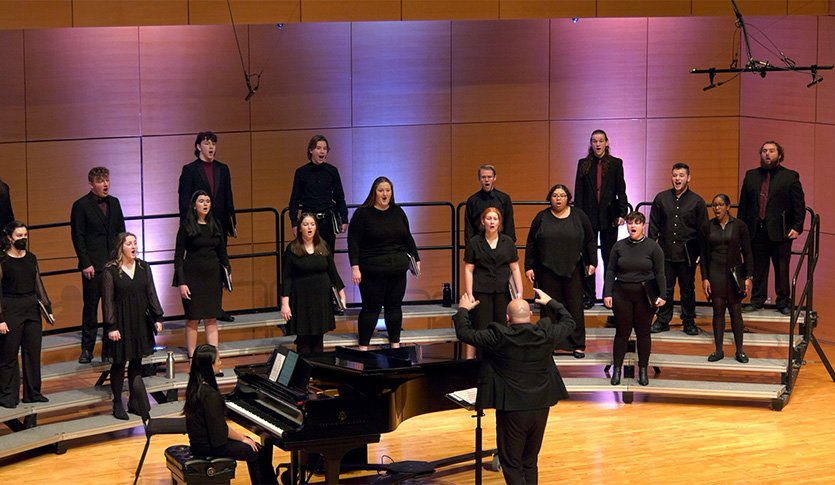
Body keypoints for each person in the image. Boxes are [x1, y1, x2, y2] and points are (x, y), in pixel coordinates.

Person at [454, 289, 575, 485]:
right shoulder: (546, 334)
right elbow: (569, 322)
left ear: (507, 318)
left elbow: (465, 333)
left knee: (511, 463)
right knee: (529, 461)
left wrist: (463, 310)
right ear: (531, 315)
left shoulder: (499, 338)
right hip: (540, 406)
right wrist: (551, 301)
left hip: (512, 410)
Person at [184, 344, 278, 485]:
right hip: (209, 447)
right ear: (210, 365)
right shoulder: (209, 394)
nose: (221, 363)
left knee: (251, 445)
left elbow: (218, 426)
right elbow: (220, 430)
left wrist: (243, 438)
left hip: (200, 443)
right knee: (257, 451)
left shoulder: (195, 386)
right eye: (218, 360)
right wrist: (243, 439)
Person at [524, 184, 596, 358]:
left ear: (568, 198)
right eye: (555, 195)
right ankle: (551, 344)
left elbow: (590, 240)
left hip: (574, 269)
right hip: (546, 270)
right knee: (548, 308)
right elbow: (531, 242)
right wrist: (529, 266)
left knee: (575, 307)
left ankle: (577, 345)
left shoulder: (579, 215)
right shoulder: (541, 217)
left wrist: (592, 262)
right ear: (550, 198)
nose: (558, 198)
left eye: (562, 195)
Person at [347, 176, 419, 350]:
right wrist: (355, 267)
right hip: (372, 270)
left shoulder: (398, 212)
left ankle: (395, 345)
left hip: (397, 269)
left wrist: (416, 259)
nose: (384, 194)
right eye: (381, 190)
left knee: (394, 307)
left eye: (388, 190)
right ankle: (363, 347)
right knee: (371, 308)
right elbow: (353, 242)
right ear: (374, 192)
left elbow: (407, 237)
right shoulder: (362, 214)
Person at [737, 141, 806, 316]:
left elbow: (799, 205)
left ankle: (783, 302)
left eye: (772, 151)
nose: (767, 154)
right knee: (758, 268)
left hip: (781, 231)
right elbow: (743, 205)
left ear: (779, 155)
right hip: (756, 230)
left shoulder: (790, 176)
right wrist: (740, 229)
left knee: (782, 268)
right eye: (764, 151)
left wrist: (797, 227)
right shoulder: (751, 175)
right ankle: (757, 300)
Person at [101, 232, 164, 419]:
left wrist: (158, 317)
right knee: (119, 363)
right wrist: (111, 326)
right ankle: (117, 403)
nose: (134, 246)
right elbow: (107, 301)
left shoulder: (144, 267)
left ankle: (135, 401)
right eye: (129, 244)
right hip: (120, 321)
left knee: (137, 362)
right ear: (121, 247)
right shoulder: (110, 270)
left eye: (135, 243)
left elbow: (151, 292)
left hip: (140, 320)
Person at [178, 131, 236, 322]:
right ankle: (199, 308)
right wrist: (187, 223)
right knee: (199, 263)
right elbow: (184, 199)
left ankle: (216, 307)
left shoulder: (223, 168)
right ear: (198, 146)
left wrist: (231, 222)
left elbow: (228, 195)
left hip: (217, 224)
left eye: (214, 143)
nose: (211, 147)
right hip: (197, 224)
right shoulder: (190, 169)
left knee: (218, 262)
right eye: (207, 143)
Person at [70, 167, 126, 364]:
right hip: (93, 266)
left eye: (107, 180)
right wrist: (86, 263)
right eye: (101, 181)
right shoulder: (81, 205)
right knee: (91, 308)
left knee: (113, 307)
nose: (106, 184)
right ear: (91, 183)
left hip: (112, 265)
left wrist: (121, 259)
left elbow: (121, 232)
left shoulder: (115, 203)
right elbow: (78, 236)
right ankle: (87, 349)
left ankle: (112, 348)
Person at [603, 211, 666, 386]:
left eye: (637, 223)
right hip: (621, 293)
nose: (633, 226)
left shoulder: (653, 247)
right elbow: (610, 271)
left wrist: (663, 295)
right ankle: (617, 370)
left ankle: (643, 370)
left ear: (643, 226)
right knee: (622, 333)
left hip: (644, 296)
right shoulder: (619, 246)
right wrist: (607, 293)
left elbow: (660, 273)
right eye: (630, 223)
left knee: (643, 333)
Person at [648, 162, 708, 335]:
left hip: (687, 255)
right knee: (664, 288)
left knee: (687, 289)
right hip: (664, 253)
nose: (677, 178)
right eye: (675, 175)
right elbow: (653, 227)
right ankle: (663, 320)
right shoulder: (661, 198)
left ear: (688, 178)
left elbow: (702, 231)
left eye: (681, 175)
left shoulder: (697, 201)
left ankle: (688, 321)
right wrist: (651, 251)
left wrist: (699, 254)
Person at [573, 129, 629, 312]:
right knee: (589, 258)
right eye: (594, 141)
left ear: (607, 142)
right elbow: (578, 194)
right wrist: (579, 217)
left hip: (609, 217)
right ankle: (589, 296)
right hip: (587, 218)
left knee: (609, 256)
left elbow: (621, 190)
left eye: (600, 141)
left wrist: (622, 213)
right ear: (591, 143)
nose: (597, 144)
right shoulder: (583, 164)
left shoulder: (615, 163)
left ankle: (608, 294)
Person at [0, 221, 53, 409]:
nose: (23, 239)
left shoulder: (31, 258)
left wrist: (48, 307)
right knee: (9, 354)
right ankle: (8, 395)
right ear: (9, 238)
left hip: (31, 308)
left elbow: (38, 284)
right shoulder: (2, 260)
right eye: (19, 236)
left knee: (32, 352)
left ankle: (33, 393)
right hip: (10, 307)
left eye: (25, 236)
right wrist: (1, 319)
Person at [174, 190, 230, 364]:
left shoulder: (216, 224)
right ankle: (192, 358)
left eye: (208, 201)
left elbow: (223, 252)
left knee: (211, 318)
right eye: (201, 201)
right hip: (192, 277)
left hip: (213, 277)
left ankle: (215, 359)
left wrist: (227, 271)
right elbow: (178, 256)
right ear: (194, 204)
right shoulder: (186, 226)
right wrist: (181, 282)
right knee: (193, 318)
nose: (205, 204)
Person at [281, 213, 346, 355]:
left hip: (321, 298)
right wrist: (285, 303)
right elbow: (286, 278)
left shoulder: (323, 246)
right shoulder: (292, 249)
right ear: (299, 228)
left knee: (318, 338)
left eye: (312, 224)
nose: (309, 228)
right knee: (303, 339)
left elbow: (333, 272)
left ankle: (318, 373)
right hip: (301, 299)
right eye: (305, 225)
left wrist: (341, 293)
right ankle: (305, 374)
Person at [463, 207, 524, 357]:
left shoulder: (508, 242)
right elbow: (468, 270)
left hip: (503, 292)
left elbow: (515, 269)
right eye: (488, 218)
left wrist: (519, 292)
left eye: (495, 219)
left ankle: (502, 362)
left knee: (502, 327)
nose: (492, 221)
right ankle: (483, 362)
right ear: (483, 221)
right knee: (482, 328)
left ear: (499, 222)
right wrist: (470, 293)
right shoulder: (474, 242)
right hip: (481, 291)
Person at [700, 194, 753, 363]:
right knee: (718, 312)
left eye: (720, 205)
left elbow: (747, 253)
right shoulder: (707, 227)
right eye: (714, 205)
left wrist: (748, 276)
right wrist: (705, 278)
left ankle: (740, 351)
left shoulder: (739, 226)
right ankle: (718, 350)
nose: (716, 208)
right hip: (715, 274)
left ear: (728, 207)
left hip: (734, 275)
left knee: (736, 312)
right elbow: (704, 255)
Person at [288, 135, 349, 254]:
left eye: (325, 149)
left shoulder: (332, 171)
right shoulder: (301, 172)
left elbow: (340, 197)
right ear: (311, 150)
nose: (322, 151)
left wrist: (344, 218)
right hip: (309, 222)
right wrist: (294, 224)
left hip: (327, 221)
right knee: (308, 255)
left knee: (328, 255)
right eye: (319, 148)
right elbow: (294, 200)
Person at [464, 164, 516, 242]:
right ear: (479, 179)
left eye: (489, 177)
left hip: (500, 244)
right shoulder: (472, 201)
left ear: (494, 178)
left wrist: (509, 246)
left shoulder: (504, 199)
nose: (486, 180)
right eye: (483, 177)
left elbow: (509, 226)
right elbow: (469, 229)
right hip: (479, 245)